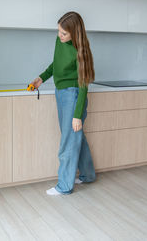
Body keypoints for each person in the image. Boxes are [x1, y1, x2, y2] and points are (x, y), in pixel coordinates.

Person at [31, 11, 96, 195]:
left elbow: (83, 85)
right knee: (75, 137)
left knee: (68, 140)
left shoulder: (81, 52)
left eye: (64, 33)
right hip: (61, 93)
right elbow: (55, 65)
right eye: (59, 31)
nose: (60, 35)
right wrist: (41, 78)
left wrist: (77, 115)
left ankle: (64, 186)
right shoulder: (60, 41)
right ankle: (88, 174)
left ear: (74, 34)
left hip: (74, 95)